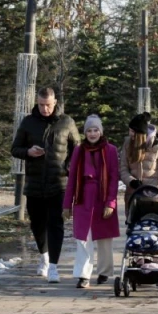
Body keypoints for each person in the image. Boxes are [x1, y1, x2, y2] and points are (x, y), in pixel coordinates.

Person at [11, 87, 80, 283]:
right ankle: (44, 256)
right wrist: (28, 152)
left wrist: (67, 168)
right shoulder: (28, 122)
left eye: (48, 105)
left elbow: (77, 149)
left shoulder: (66, 122)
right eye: (41, 105)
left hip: (59, 183)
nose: (45, 109)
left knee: (56, 224)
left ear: (55, 102)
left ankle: (54, 268)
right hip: (34, 182)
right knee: (37, 224)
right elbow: (15, 149)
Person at [62, 115, 120, 288]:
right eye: (89, 130)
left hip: (102, 197)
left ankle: (104, 272)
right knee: (83, 238)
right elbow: (72, 178)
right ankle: (83, 275)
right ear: (85, 132)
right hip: (83, 197)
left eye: (96, 130)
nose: (93, 133)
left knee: (104, 238)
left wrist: (111, 202)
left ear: (101, 132)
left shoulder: (110, 150)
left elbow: (113, 178)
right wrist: (67, 204)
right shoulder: (79, 151)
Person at [119, 112, 158, 215]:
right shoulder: (128, 144)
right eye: (129, 130)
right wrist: (131, 181)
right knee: (135, 228)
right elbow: (123, 168)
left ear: (140, 134)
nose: (130, 134)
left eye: (132, 131)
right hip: (134, 195)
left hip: (154, 196)